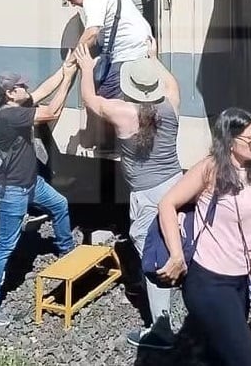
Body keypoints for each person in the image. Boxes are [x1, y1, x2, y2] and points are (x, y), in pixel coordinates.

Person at [156, 108, 251, 366]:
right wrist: (176, 255)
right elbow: (167, 204)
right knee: (244, 358)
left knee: (221, 354)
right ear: (230, 139)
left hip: (241, 280)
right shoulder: (210, 169)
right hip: (209, 280)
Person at [73, 38, 181, 350]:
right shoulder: (170, 104)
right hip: (176, 184)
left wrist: (85, 68)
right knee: (176, 245)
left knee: (153, 255)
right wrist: (155, 58)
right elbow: (171, 83)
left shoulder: (123, 112)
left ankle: (161, 328)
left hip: (148, 194)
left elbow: (90, 100)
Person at [0, 63, 78, 327]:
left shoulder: (17, 107)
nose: (27, 88)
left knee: (59, 204)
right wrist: (68, 80)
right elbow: (52, 111)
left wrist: (66, 68)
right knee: (5, 246)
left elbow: (44, 89)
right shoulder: (9, 117)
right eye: (22, 86)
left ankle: (67, 251)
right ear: (10, 93)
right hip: (12, 190)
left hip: (31, 183)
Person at [58, 0, 153, 99]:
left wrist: (71, 61)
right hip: (144, 50)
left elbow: (92, 33)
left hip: (125, 55)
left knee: (101, 105)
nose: (72, 4)